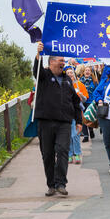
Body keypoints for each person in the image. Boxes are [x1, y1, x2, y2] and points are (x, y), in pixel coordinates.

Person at [33, 42, 82, 197]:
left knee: (62, 151)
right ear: (51, 62)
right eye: (60, 60)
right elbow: (37, 70)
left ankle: (61, 183)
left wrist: (79, 120)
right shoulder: (44, 76)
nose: (62, 63)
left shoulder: (67, 80)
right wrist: (38, 54)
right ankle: (51, 185)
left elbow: (75, 101)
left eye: (63, 60)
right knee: (47, 154)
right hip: (46, 123)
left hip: (64, 123)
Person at [65, 66, 88, 164]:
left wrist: (80, 94)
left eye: (71, 72)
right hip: (66, 114)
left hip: (76, 113)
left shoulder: (79, 85)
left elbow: (85, 99)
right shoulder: (62, 85)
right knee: (68, 136)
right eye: (68, 73)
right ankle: (70, 155)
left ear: (74, 74)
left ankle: (77, 154)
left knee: (76, 135)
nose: (70, 74)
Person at [80, 65, 99, 142]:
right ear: (83, 72)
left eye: (88, 70)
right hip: (82, 101)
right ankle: (86, 135)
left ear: (91, 72)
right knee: (83, 118)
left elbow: (97, 91)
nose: (87, 71)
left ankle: (91, 130)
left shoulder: (94, 81)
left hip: (91, 101)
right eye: (86, 70)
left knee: (89, 117)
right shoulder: (80, 81)